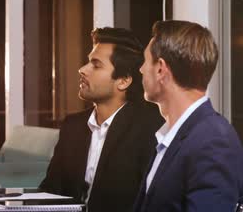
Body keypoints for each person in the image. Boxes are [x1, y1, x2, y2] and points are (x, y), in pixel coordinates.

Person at [39, 28, 163, 212]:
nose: (82, 70)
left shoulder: (150, 127)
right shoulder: (72, 126)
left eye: (96, 65)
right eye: (88, 62)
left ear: (123, 81)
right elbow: (51, 192)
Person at [134, 20, 243, 212]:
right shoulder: (172, 136)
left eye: (144, 61)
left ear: (161, 69)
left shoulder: (212, 140)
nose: (141, 69)